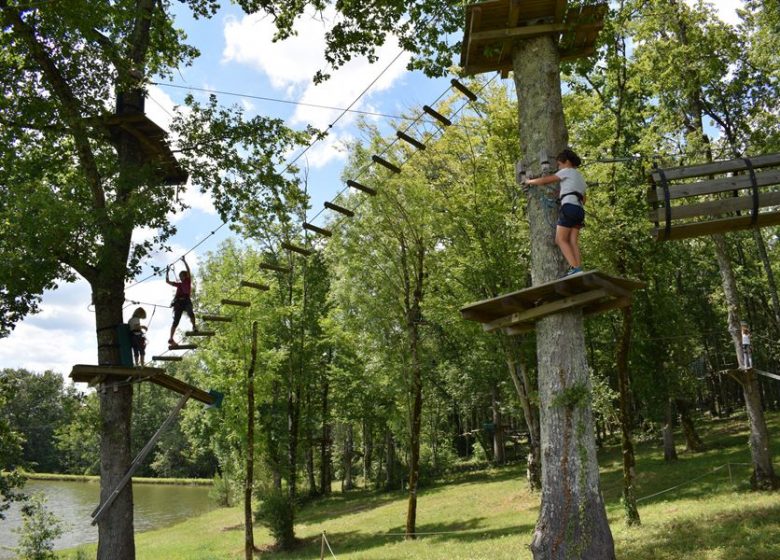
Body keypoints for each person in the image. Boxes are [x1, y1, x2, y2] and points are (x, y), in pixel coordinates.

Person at [525, 148, 586, 277]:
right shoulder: (580, 177)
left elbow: (545, 180)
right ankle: (578, 268)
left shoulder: (566, 171)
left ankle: (575, 268)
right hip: (579, 210)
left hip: (569, 207)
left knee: (560, 240)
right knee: (573, 241)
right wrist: (560, 195)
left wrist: (528, 181)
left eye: (559, 164)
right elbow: (583, 198)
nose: (559, 167)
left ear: (566, 162)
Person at [166, 257, 197, 347]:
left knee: (190, 312)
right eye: (180, 276)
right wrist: (167, 272)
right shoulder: (178, 284)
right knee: (176, 321)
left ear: (185, 276)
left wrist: (184, 261)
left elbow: (188, 269)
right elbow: (167, 281)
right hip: (179, 303)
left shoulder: (188, 280)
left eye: (182, 276)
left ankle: (194, 327)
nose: (181, 277)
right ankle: (171, 339)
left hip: (186, 300)